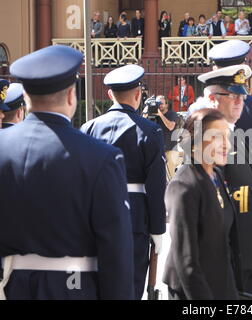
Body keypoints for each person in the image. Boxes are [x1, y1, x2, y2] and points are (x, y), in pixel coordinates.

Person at [0, 45, 134, 300]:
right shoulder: (101, 157)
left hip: (12, 286)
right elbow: (115, 251)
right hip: (74, 287)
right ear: (72, 95)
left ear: (26, 98)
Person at [197, 64, 252, 297]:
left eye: (242, 96)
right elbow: (209, 200)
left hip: (248, 247)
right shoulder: (204, 140)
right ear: (212, 99)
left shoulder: (237, 135)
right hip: (227, 251)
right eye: (232, 95)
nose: (240, 101)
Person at [80, 65, 166, 300]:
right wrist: (158, 229)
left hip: (96, 216)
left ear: (110, 95)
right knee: (130, 284)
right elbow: (157, 185)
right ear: (138, 95)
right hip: (135, 218)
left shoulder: (89, 128)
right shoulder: (150, 131)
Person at [163, 108, 244, 300]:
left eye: (227, 136)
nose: (226, 144)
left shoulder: (215, 175)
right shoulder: (183, 185)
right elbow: (186, 261)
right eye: (217, 136)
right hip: (192, 291)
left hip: (218, 284)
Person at [144, 95, 182, 179]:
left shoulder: (172, 114)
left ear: (167, 105)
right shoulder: (153, 115)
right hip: (158, 150)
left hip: (170, 150)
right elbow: (143, 126)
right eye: (157, 103)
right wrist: (145, 114)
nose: (159, 105)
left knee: (170, 176)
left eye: (161, 103)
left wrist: (160, 114)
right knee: (158, 176)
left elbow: (170, 126)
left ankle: (171, 191)